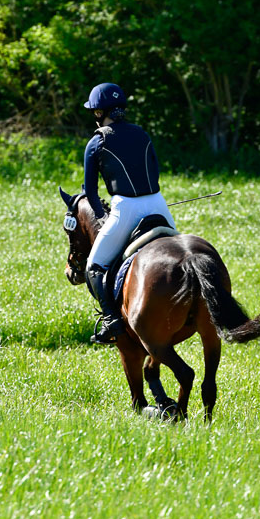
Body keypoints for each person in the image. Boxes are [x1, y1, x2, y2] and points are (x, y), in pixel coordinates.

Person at [83, 82, 176, 345]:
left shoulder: (97, 141)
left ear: (100, 112)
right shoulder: (143, 134)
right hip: (158, 204)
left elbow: (91, 193)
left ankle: (111, 321)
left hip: (125, 208)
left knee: (95, 265)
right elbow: (155, 173)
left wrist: (103, 217)